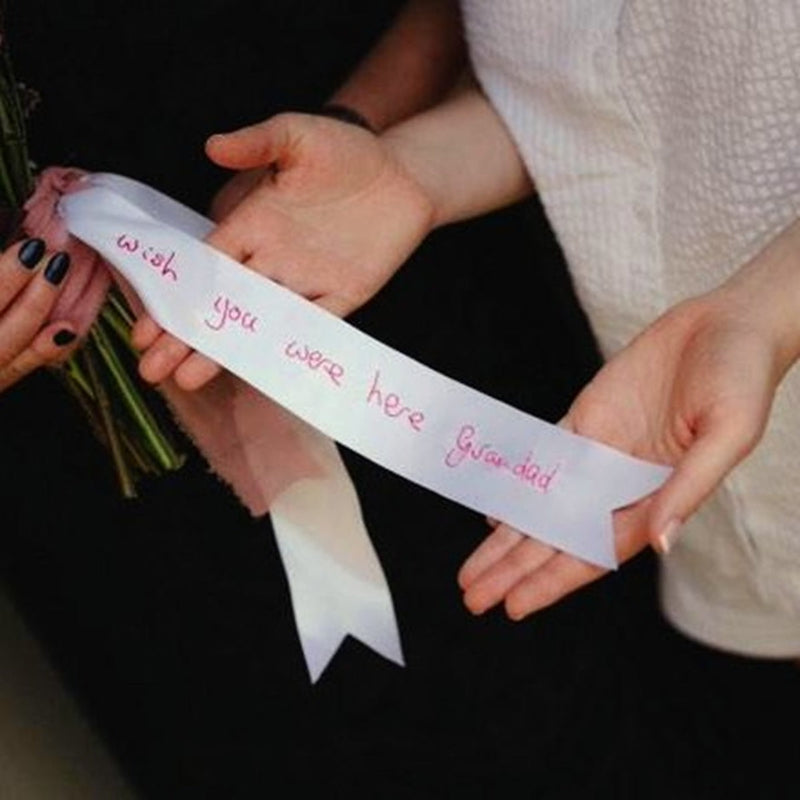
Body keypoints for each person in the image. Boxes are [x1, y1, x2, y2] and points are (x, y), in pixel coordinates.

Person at [131, 0, 800, 662]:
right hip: (682, 451)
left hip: (728, 374)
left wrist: (763, 314)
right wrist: (412, 170)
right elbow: (585, 94)